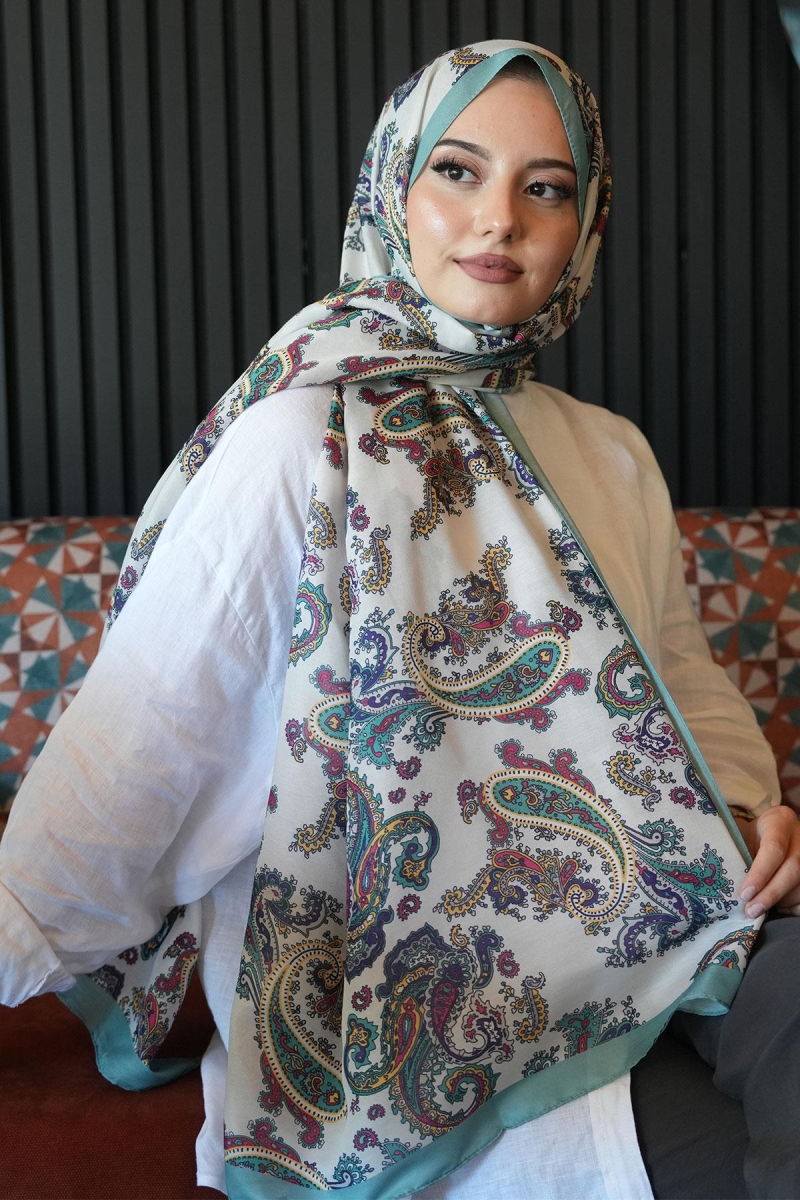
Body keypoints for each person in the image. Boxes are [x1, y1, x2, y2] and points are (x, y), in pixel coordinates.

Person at [0, 38, 797, 1200]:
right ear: (391, 190)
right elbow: (132, 760)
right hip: (426, 1017)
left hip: (674, 923)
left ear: (584, 226)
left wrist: (750, 810)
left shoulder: (610, 451)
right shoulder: (296, 439)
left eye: (545, 187)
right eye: (456, 171)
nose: (499, 219)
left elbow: (683, 686)